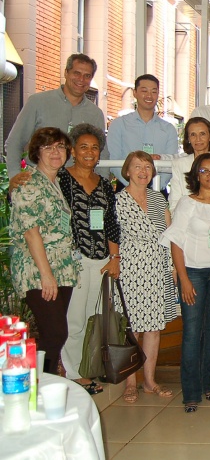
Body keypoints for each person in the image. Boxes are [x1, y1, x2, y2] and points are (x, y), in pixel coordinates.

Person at [161, 153, 210, 413]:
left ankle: (208, 384)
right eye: (205, 171)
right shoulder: (187, 203)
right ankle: (190, 393)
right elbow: (176, 241)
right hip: (193, 273)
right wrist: (183, 278)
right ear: (196, 174)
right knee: (192, 332)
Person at [10, 128, 79, 375]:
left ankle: (45, 384)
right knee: (54, 333)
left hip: (62, 267)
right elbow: (31, 232)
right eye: (48, 147)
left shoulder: (56, 182)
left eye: (60, 147)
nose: (55, 152)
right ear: (36, 152)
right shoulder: (28, 183)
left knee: (56, 335)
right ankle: (33, 383)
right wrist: (46, 275)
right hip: (37, 269)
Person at [59, 124, 120, 395]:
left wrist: (114, 257)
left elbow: (111, 224)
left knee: (90, 317)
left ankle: (83, 368)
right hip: (73, 260)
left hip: (100, 261)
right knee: (74, 319)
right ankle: (72, 373)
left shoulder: (105, 185)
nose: (89, 152)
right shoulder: (60, 179)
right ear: (72, 150)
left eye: (94, 147)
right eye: (83, 146)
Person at [116, 151, 176, 403]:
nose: (143, 171)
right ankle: (131, 382)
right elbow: (113, 238)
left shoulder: (158, 199)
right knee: (131, 328)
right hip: (130, 269)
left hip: (157, 267)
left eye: (147, 167)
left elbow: (169, 232)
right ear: (127, 171)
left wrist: (172, 265)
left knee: (153, 328)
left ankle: (150, 381)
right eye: (137, 167)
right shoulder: (118, 200)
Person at [6, 54, 107, 177]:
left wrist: (102, 184)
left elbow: (102, 152)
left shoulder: (95, 114)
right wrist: (14, 175)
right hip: (41, 183)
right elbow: (14, 142)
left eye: (87, 76)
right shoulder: (37, 102)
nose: (81, 79)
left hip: (78, 186)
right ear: (66, 73)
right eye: (76, 73)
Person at [107, 74, 179, 191]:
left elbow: (172, 164)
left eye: (154, 91)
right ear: (135, 93)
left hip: (157, 190)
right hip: (126, 189)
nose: (149, 95)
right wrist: (132, 186)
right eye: (144, 90)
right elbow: (114, 160)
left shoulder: (169, 129)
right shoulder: (119, 124)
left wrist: (156, 188)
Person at [168, 117, 210, 213]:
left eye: (202, 134)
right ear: (188, 139)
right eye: (193, 135)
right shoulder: (179, 164)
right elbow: (174, 203)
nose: (198, 139)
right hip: (187, 218)